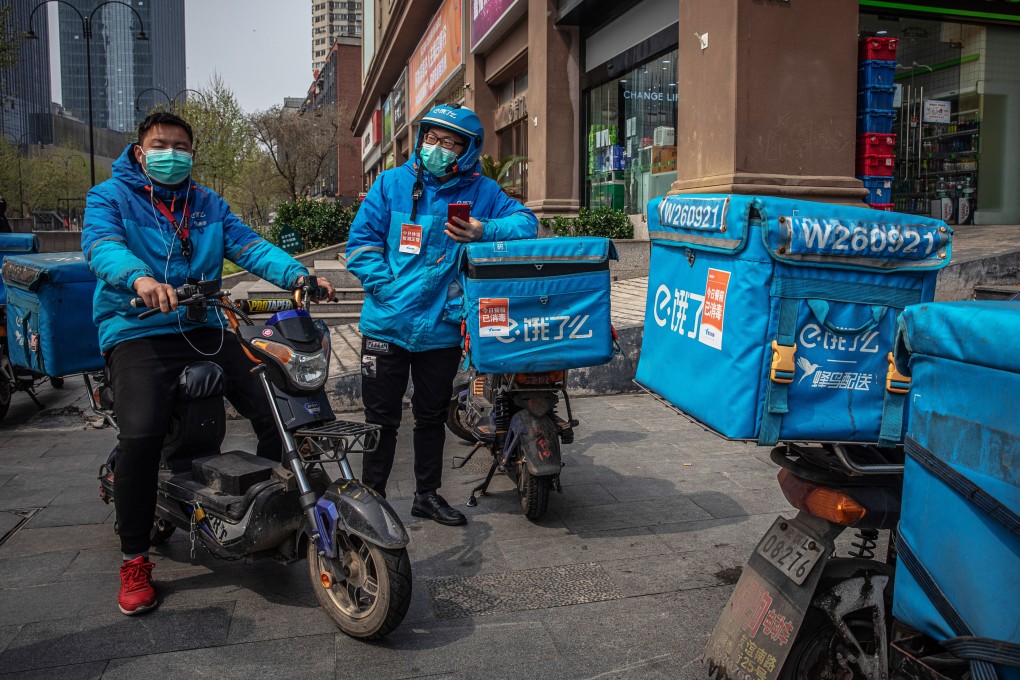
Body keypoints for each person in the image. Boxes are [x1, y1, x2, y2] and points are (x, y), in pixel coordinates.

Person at [82, 111, 334, 616]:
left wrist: (297, 275)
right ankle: (134, 559)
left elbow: (249, 246)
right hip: (138, 328)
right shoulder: (109, 197)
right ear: (140, 152)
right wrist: (140, 279)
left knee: (278, 406)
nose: (171, 154)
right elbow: (102, 247)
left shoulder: (207, 203)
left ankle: (273, 508)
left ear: (192, 154)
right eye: (160, 145)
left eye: (180, 147)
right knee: (141, 437)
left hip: (205, 324)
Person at [346, 104, 538, 526]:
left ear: (468, 150)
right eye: (432, 138)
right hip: (386, 325)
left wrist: (484, 230)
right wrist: (387, 289)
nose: (437, 147)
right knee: (380, 419)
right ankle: (372, 501)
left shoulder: (482, 191)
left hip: (443, 328)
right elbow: (361, 245)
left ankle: (426, 496)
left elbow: (527, 223)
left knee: (431, 416)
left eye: (450, 142)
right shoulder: (391, 184)